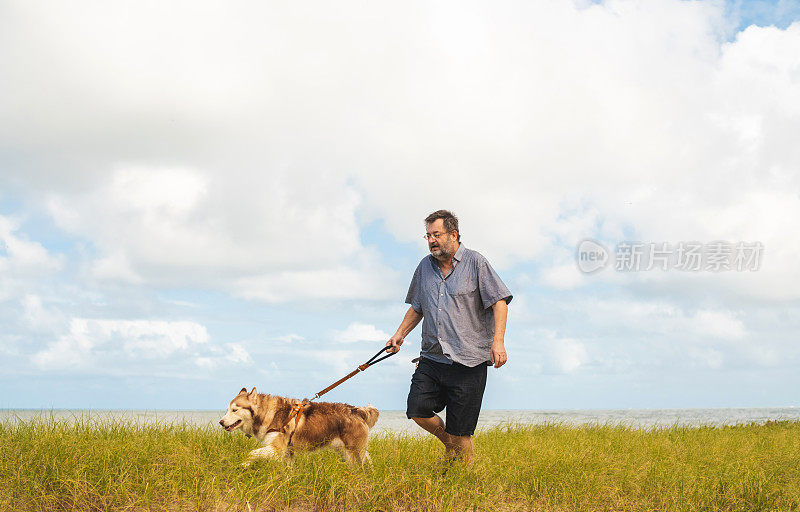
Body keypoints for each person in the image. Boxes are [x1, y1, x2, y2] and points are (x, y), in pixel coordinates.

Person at [386, 209, 512, 464]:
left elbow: (500, 301)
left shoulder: (477, 263)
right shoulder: (424, 267)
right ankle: (450, 445)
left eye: (437, 234)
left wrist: (498, 342)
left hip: (469, 361)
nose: (432, 240)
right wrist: (399, 334)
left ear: (453, 234)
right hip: (432, 358)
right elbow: (418, 306)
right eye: (428, 235)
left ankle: (464, 480)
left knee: (462, 431)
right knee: (417, 409)